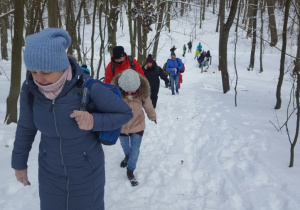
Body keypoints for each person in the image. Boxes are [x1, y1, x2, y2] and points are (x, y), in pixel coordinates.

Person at [11, 28, 133, 210]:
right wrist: (19, 164)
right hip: (49, 173)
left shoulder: (86, 87)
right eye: (33, 71)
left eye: (45, 71)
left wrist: (93, 121)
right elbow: (26, 127)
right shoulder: (31, 89)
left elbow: (125, 113)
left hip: (86, 171)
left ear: (61, 66)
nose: (39, 78)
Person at [111, 69, 157, 186]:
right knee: (125, 146)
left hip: (137, 125)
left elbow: (148, 106)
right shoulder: (115, 93)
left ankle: (130, 170)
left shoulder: (142, 93)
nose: (130, 94)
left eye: (133, 91)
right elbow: (107, 107)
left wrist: (153, 116)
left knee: (135, 151)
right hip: (121, 126)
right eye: (128, 91)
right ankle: (127, 156)